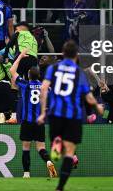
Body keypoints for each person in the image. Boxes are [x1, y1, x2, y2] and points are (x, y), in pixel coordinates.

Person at [37, 40, 104, 191]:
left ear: (62, 54)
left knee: (57, 146)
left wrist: (42, 113)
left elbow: (43, 89)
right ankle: (60, 187)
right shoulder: (79, 72)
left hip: (55, 114)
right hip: (73, 116)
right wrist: (97, 107)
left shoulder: (53, 68)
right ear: (77, 56)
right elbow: (88, 97)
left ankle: (56, 144)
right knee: (69, 152)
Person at [10, 52, 57, 178]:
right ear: (39, 75)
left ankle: (26, 173)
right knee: (41, 148)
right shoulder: (45, 87)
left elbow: (12, 71)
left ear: (29, 75)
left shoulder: (25, 85)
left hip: (27, 121)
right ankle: (48, 162)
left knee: (26, 148)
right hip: (39, 122)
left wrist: (20, 57)